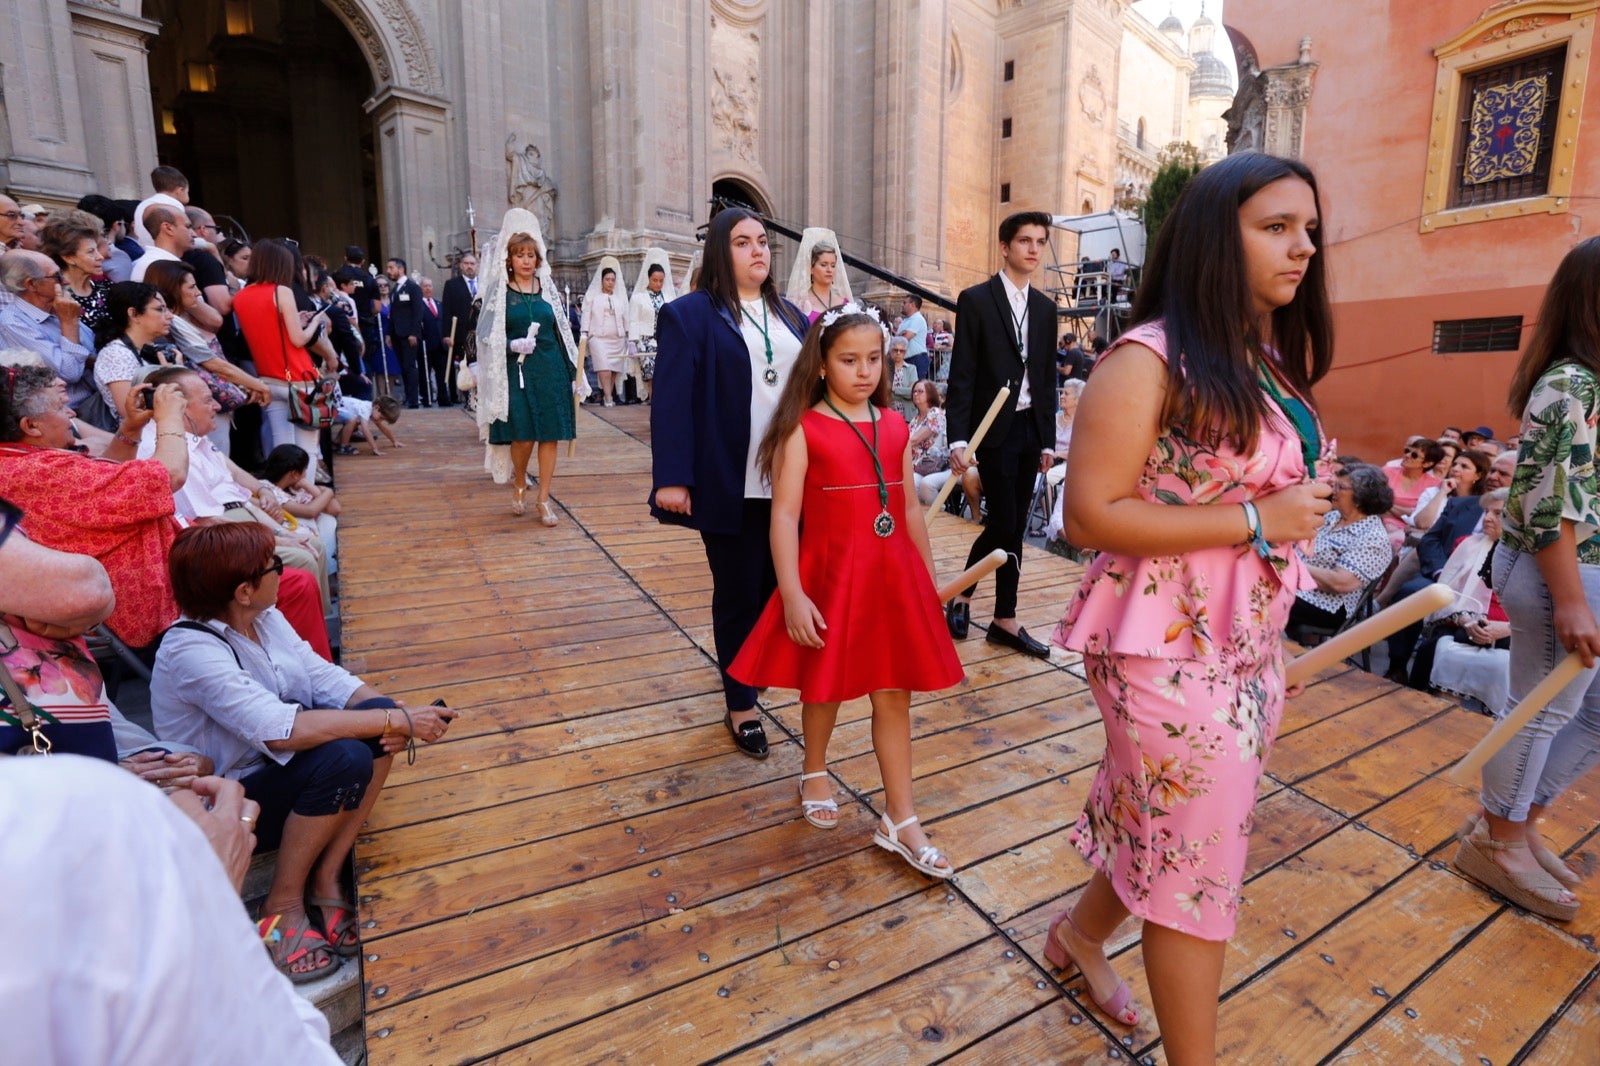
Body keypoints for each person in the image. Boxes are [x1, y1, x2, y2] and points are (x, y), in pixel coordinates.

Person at [1053, 152, 1335, 1056]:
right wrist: (1257, 514)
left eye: (1310, 230)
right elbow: (1089, 513)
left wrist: (1293, 518)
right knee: (1197, 866)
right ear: (1219, 236)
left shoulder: (1265, 359)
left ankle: (1079, 937)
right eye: (1277, 227)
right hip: (1160, 647)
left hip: (1247, 641)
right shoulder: (1148, 358)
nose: (1305, 248)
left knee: (1163, 818)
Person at [152, 521, 455, 982]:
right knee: (347, 756)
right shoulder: (191, 650)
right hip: (229, 801)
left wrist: (393, 710)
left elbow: (323, 677)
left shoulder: (263, 618)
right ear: (243, 591)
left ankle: (326, 876)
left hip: (279, 774)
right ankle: (281, 905)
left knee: (373, 716)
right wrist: (398, 721)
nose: (282, 570)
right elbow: (280, 732)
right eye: (272, 565)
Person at [729, 305, 963, 876]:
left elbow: (906, 507)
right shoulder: (804, 429)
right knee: (826, 682)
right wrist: (791, 593)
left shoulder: (896, 425)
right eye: (848, 360)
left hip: (891, 576)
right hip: (830, 575)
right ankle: (813, 767)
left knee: (893, 690)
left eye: (874, 360)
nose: (864, 371)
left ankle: (901, 818)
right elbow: (783, 517)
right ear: (822, 364)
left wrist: (927, 582)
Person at [0, 755, 346, 1064]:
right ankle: (285, 905)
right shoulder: (76, 807)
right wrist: (207, 896)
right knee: (344, 756)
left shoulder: (70, 804)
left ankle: (321, 883)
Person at [1454, 236, 1600, 923]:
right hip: (1561, 572)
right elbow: (1546, 498)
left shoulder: (1587, 382)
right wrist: (1571, 600)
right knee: (1542, 707)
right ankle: (1498, 838)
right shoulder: (1570, 383)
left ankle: (1518, 822)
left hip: (1582, 569)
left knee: (1586, 715)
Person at [650, 207, 809, 758]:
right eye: (743, 243)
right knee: (739, 592)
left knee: (777, 587)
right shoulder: (689, 315)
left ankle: (752, 668)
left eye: (763, 242)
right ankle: (741, 705)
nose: (758, 251)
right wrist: (672, 476)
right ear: (722, 253)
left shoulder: (793, 317)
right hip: (730, 479)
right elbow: (670, 402)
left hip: (792, 482)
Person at [942, 211, 1059, 658]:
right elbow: (963, 375)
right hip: (992, 430)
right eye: (1025, 240)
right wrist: (957, 440)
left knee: (1009, 527)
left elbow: (1046, 378)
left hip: (1030, 428)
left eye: (1040, 241)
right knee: (1007, 523)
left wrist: (1047, 439)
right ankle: (968, 597)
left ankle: (1000, 616)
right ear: (1005, 247)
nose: (1033, 249)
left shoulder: (1047, 309)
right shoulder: (975, 300)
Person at [474, 208, 583, 523]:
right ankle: (520, 481)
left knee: (550, 435)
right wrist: (510, 345)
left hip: (550, 370)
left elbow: (562, 333)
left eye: (530, 255)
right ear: (509, 259)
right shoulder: (501, 291)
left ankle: (544, 500)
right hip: (516, 372)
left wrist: (575, 374)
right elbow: (484, 336)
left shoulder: (548, 291)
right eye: (519, 255)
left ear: (538, 260)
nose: (525, 260)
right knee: (522, 436)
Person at [232, 239, 330, 457]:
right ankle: (307, 490)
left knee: (281, 445)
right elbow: (298, 339)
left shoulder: (240, 296)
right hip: (299, 376)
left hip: (267, 377)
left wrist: (295, 319)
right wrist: (315, 322)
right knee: (308, 448)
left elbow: (266, 329)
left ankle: (285, 491)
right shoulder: (281, 291)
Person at [1286, 463, 1394, 631]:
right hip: (1296, 586)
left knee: (1262, 597)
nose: (1333, 490)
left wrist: (1292, 564)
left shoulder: (1373, 538)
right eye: (1334, 484)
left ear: (1360, 497)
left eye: (1340, 487)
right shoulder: (1333, 516)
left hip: (1325, 605)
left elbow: (1340, 583)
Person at [0, 249, 91, 410]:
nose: (65, 281)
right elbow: (70, 373)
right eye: (56, 276)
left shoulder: (57, 307)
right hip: (72, 411)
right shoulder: (12, 323)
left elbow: (92, 351)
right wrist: (69, 323)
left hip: (95, 397)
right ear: (31, 284)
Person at [41, 209, 111, 338]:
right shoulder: (57, 297)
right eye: (91, 252)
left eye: (97, 249)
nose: (100, 257)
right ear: (68, 257)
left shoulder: (106, 286)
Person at [628, 251, 677, 405]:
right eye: (655, 280)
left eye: (661, 281)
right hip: (645, 340)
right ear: (648, 279)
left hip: (664, 340)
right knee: (650, 375)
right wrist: (632, 341)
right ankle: (654, 401)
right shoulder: (638, 298)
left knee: (663, 373)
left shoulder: (669, 298)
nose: (658, 284)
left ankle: (660, 402)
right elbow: (634, 320)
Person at [581, 257, 630, 407]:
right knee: (604, 367)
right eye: (607, 279)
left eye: (613, 280)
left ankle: (608, 395)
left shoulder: (619, 298)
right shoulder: (592, 297)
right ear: (601, 280)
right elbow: (586, 315)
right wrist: (584, 332)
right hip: (598, 337)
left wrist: (629, 334)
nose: (610, 282)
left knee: (614, 368)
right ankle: (608, 398)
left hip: (617, 338)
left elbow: (625, 317)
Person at [785, 229, 853, 323]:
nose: (829, 270)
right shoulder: (799, 303)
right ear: (811, 268)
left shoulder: (845, 303)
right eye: (823, 265)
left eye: (833, 265)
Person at [383, 258, 425, 408]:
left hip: (409, 334)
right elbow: (393, 313)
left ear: (401, 269)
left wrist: (414, 333)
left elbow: (418, 311)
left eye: (391, 267)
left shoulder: (412, 287)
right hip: (396, 334)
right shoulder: (395, 289)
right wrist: (389, 333)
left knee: (409, 366)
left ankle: (413, 399)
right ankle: (408, 397)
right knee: (403, 367)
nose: (388, 271)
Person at [908, 378, 950, 506]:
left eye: (920, 391)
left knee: (917, 483)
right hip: (917, 466)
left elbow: (914, 440)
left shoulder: (935, 414)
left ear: (930, 394)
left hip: (933, 465)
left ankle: (938, 514)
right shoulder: (915, 419)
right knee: (907, 482)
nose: (916, 394)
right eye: (914, 391)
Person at [441, 252, 480, 379]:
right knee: (466, 369)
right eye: (466, 263)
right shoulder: (452, 285)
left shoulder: (484, 284)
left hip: (482, 333)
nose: (469, 266)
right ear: (461, 266)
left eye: (472, 264)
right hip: (461, 335)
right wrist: (446, 334)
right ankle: (467, 397)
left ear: (477, 266)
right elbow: (446, 310)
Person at [419, 276, 448, 406]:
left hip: (440, 345)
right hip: (426, 345)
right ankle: (427, 398)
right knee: (425, 374)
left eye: (430, 285)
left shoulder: (438, 304)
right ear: (420, 288)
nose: (428, 288)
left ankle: (443, 398)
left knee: (442, 374)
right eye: (425, 286)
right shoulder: (418, 305)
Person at [898, 294, 930, 381]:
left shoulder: (918, 319)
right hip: (906, 359)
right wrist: (901, 335)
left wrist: (902, 335)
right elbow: (898, 339)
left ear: (912, 305)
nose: (902, 305)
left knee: (916, 387)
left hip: (917, 359)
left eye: (905, 303)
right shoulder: (905, 321)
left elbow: (905, 337)